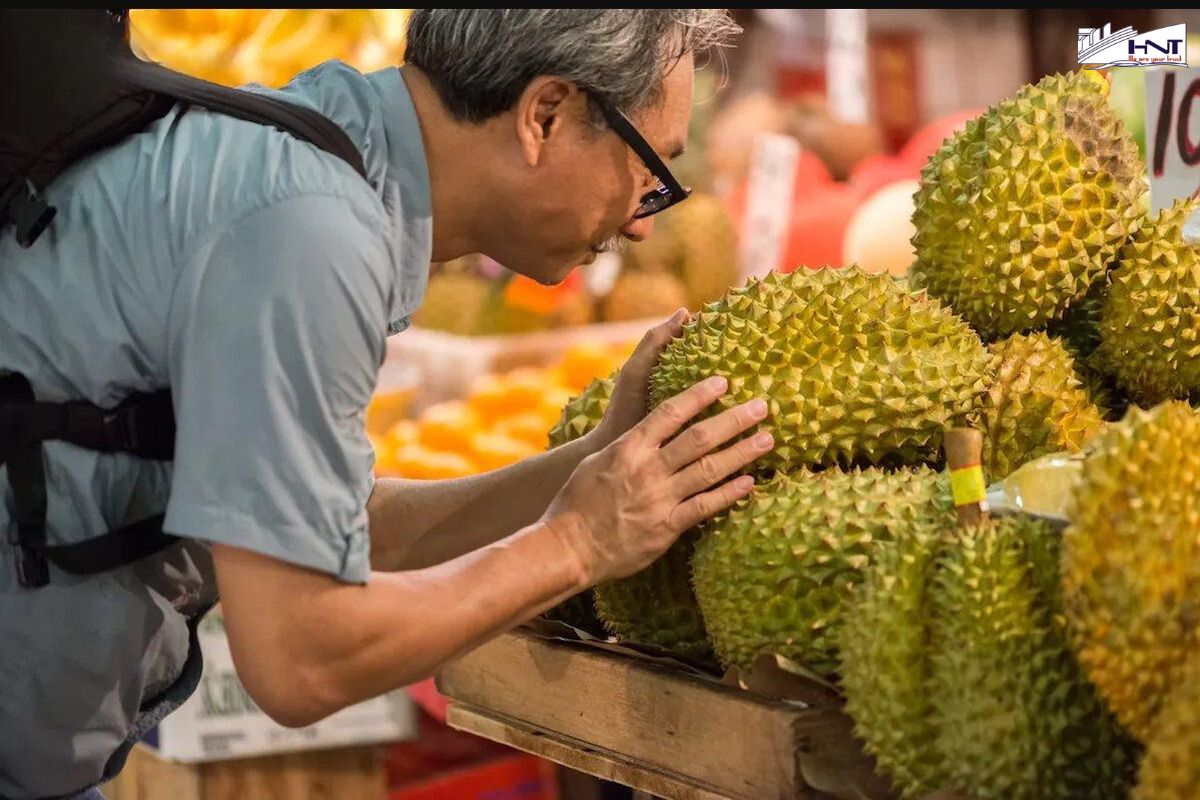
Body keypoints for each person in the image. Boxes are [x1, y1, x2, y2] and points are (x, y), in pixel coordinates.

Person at [0, 10, 770, 799]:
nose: (644, 224)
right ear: (545, 115)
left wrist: (590, 467)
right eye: (652, 173)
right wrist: (577, 545)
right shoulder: (310, 229)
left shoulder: (321, 148)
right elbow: (301, 657)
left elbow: (338, 529)